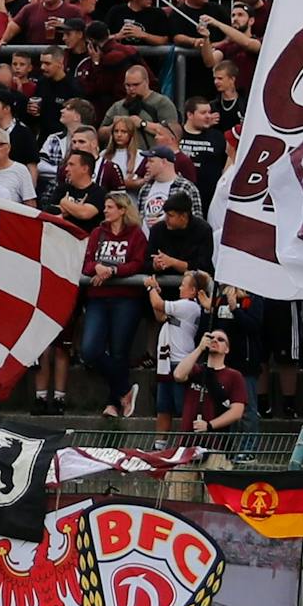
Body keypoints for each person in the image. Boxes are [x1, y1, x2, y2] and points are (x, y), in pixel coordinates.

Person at [82, 192, 149, 418]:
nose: (105, 210)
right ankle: (124, 390)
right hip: (98, 298)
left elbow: (138, 263)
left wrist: (112, 271)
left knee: (119, 352)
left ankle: (113, 403)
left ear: (122, 210)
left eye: (110, 207)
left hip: (126, 298)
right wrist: (97, 269)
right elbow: (87, 262)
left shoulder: (136, 235)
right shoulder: (97, 233)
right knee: (90, 350)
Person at [147, 270, 210, 435]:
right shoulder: (181, 307)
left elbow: (158, 305)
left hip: (180, 362)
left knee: (183, 407)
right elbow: (160, 316)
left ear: (193, 291)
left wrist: (151, 288)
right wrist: (155, 292)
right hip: (166, 363)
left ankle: (188, 443)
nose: (180, 287)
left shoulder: (190, 306)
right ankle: (160, 445)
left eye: (183, 285)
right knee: (163, 407)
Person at [175, 329, 251, 448]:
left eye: (221, 340)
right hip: (187, 444)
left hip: (217, 445)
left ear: (227, 349)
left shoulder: (234, 376)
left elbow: (237, 411)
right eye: (211, 338)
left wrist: (209, 425)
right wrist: (199, 348)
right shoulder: (196, 370)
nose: (215, 340)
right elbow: (178, 375)